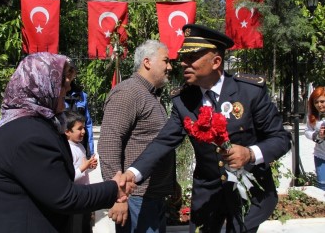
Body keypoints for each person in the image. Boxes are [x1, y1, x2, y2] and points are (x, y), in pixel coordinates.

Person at [120, 24, 291, 233]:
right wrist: (133, 173)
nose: (183, 63)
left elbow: (281, 139)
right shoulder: (184, 100)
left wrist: (250, 154)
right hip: (207, 196)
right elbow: (163, 141)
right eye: (183, 57)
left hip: (247, 193)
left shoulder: (249, 92)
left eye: (192, 58)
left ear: (216, 62)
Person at [0, 52, 134, 232]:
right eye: (63, 83)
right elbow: (64, 197)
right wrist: (113, 189)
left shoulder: (33, 125)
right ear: (40, 86)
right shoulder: (29, 135)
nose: (68, 89)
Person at [98, 39, 174, 233]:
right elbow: (109, 142)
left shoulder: (151, 95)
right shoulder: (128, 92)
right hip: (135, 199)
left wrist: (172, 184)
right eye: (166, 61)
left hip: (153, 197)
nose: (170, 67)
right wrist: (117, 195)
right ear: (147, 62)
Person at [65, 110, 98, 233]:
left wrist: (90, 166)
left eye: (84, 128)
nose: (83, 131)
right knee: (76, 227)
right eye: (79, 129)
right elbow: (69, 177)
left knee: (86, 226)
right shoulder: (68, 149)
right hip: (76, 198)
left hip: (85, 196)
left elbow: (83, 172)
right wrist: (84, 167)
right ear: (67, 131)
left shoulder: (80, 146)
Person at [65, 82, 95, 158]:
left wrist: (90, 152)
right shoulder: (54, 94)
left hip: (79, 144)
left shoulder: (82, 95)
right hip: (62, 144)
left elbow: (88, 124)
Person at [304, 86, 325, 190]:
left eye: (322, 101)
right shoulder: (312, 116)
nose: (319, 105)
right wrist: (316, 135)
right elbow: (307, 131)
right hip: (320, 156)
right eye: (316, 102)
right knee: (322, 185)